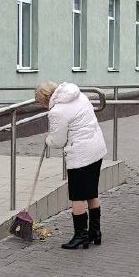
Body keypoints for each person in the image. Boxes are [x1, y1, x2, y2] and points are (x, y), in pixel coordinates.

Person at [35, 81, 107, 250]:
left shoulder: (57, 111)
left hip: (80, 155)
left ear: (45, 99)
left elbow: (58, 141)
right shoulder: (79, 95)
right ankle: (95, 232)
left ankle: (81, 236)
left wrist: (48, 139)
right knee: (91, 192)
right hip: (96, 148)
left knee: (77, 196)